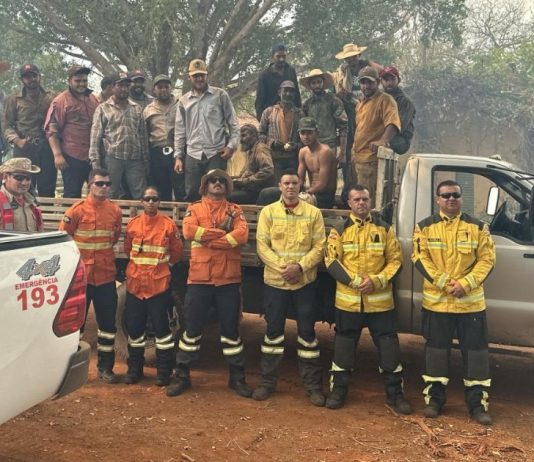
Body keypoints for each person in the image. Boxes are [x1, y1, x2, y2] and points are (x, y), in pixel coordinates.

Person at [412, 180, 496, 425]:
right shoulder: (424, 227)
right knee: (436, 353)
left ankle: (477, 405)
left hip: (470, 305)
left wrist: (465, 284)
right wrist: (446, 283)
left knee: (476, 355)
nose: (451, 199)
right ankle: (435, 400)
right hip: (437, 303)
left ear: (461, 198)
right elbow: (420, 258)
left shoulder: (479, 227)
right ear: (437, 199)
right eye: (445, 196)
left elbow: (487, 260)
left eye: (455, 195)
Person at [324, 185, 412, 413]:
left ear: (370, 200)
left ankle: (396, 395)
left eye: (365, 198)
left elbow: (396, 261)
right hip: (348, 303)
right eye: (356, 199)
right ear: (349, 204)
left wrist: (377, 280)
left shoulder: (384, 229)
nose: (361, 203)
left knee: (389, 350)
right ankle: (338, 392)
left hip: (380, 304)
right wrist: (355, 281)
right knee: (343, 349)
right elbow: (331, 261)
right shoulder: (339, 230)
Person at [166, 169, 252, 398]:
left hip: (228, 281)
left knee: (231, 333)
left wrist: (209, 238)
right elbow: (188, 231)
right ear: (205, 186)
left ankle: (237, 378)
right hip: (199, 280)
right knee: (191, 331)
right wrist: (222, 236)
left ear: (227, 186)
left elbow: (242, 236)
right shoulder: (194, 208)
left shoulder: (235, 211)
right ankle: (182, 376)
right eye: (213, 181)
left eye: (222, 181)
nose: (217, 183)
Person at [254, 169, 326, 406]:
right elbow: (262, 246)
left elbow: (319, 247)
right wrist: (283, 269)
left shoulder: (313, 214)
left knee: (307, 334)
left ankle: (313, 386)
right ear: (280, 186)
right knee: (273, 333)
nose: (290, 187)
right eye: (286, 183)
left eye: (294, 183)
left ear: (300, 185)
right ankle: (266, 383)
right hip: (275, 282)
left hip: (304, 283)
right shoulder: (268, 212)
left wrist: (300, 268)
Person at [59, 169, 122, 384]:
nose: (104, 187)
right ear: (89, 184)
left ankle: (105, 368)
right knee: (75, 328)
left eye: (107, 184)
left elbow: (113, 239)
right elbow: (64, 242)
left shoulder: (115, 211)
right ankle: (70, 371)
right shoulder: (75, 211)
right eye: (99, 183)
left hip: (105, 278)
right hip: (81, 280)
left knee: (107, 328)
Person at [123, 186, 183, 386]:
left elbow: (176, 253)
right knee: (135, 332)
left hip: (158, 287)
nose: (150, 202)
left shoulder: (168, 225)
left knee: (163, 334)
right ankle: (134, 371)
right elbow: (127, 249)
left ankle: (164, 373)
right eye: (147, 199)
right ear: (142, 202)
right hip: (135, 287)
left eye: (154, 199)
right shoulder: (132, 225)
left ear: (159, 202)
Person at [173, 59, 239, 202]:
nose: (199, 79)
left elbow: (233, 123)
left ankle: (217, 224)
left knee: (217, 192)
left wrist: (231, 146)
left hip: (216, 153)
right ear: (189, 77)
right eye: (196, 76)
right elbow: (180, 130)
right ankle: (194, 223)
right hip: (193, 153)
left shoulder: (220, 95)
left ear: (207, 76)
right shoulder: (183, 101)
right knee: (192, 193)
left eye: (202, 75)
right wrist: (178, 156)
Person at [89, 72, 149, 200]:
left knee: (140, 195)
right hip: (113, 158)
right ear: (112, 87)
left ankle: (138, 220)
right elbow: (95, 139)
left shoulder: (136, 108)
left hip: (135, 159)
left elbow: (143, 137)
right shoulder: (103, 108)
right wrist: (96, 164)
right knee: (110, 193)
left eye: (126, 86)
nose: (124, 89)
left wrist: (146, 161)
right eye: (120, 85)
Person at [45, 65, 100, 198]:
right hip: (71, 156)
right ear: (69, 80)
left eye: (84, 80)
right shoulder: (60, 101)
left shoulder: (93, 99)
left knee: (96, 193)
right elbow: (52, 130)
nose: (82, 84)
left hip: (92, 155)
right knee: (72, 193)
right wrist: (57, 155)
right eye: (78, 80)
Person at [2, 64, 56, 197]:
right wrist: (17, 140)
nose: (31, 79)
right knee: (22, 186)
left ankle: (43, 217)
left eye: (34, 75)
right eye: (27, 76)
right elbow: (6, 124)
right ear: (22, 80)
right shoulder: (13, 99)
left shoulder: (51, 97)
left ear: (39, 76)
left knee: (47, 186)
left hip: (47, 147)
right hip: (24, 147)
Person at [333, 44, 382, 184]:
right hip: (350, 111)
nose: (351, 59)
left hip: (368, 106)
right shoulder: (343, 71)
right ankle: (349, 184)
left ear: (358, 55)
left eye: (353, 56)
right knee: (348, 147)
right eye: (348, 58)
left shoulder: (367, 66)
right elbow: (337, 88)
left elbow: (381, 72)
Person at [352, 66, 400, 204]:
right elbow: (360, 130)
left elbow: (392, 122)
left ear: (378, 82)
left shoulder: (385, 100)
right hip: (358, 159)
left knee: (367, 202)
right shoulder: (361, 103)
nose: (366, 86)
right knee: (358, 199)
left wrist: (383, 140)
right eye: (363, 83)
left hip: (371, 160)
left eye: (370, 82)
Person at [143, 75, 184, 201]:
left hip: (177, 151)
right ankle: (166, 219)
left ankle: (182, 219)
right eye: (160, 87)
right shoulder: (148, 110)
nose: (163, 90)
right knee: (162, 189)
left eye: (166, 87)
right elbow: (144, 133)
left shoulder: (180, 105)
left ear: (171, 88)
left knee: (180, 188)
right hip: (157, 153)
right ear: (154, 90)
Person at [300, 69, 347, 165]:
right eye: (313, 83)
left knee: (330, 175)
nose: (317, 85)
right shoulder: (307, 104)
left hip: (330, 144)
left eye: (319, 82)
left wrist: (342, 153)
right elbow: (303, 129)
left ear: (323, 83)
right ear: (310, 85)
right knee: (315, 177)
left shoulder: (333, 101)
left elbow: (343, 127)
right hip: (312, 146)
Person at [258, 80, 302, 183]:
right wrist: (272, 142)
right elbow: (260, 134)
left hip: (293, 158)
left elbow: (304, 137)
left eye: (291, 91)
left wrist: (296, 145)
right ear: (279, 92)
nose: (288, 94)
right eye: (285, 91)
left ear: (294, 94)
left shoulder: (299, 114)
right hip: (274, 158)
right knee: (276, 187)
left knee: (292, 186)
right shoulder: (269, 112)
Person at [228, 124, 274, 204]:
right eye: (240, 137)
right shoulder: (251, 150)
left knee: (226, 197)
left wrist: (244, 181)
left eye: (244, 136)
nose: (241, 140)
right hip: (248, 188)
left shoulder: (260, 148)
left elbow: (268, 170)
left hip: (256, 191)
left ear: (254, 135)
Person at [297, 117, 337, 209]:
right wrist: (292, 191)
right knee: (272, 195)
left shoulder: (325, 152)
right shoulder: (303, 152)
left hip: (325, 196)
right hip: (311, 193)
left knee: (299, 202)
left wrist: (307, 193)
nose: (306, 137)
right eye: (303, 133)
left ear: (317, 133)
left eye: (310, 133)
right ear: (299, 134)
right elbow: (300, 180)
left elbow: (323, 184)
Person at [255, 43, 301, 121]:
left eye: (284, 56)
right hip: (272, 116)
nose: (281, 59)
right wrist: (262, 120)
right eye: (278, 56)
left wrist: (299, 111)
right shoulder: (265, 75)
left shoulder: (290, 71)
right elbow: (260, 99)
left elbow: (296, 93)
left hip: (290, 114)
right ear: (272, 57)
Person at [379, 66, 416, 155]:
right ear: (381, 81)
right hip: (381, 133)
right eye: (386, 80)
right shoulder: (379, 98)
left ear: (398, 80)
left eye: (392, 79)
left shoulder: (405, 102)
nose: (389, 83)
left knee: (378, 142)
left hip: (400, 139)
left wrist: (383, 139)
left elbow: (399, 126)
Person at [0, 157, 42, 231]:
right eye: (19, 177)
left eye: (28, 178)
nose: (24, 182)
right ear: (5, 177)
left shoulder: (32, 201)